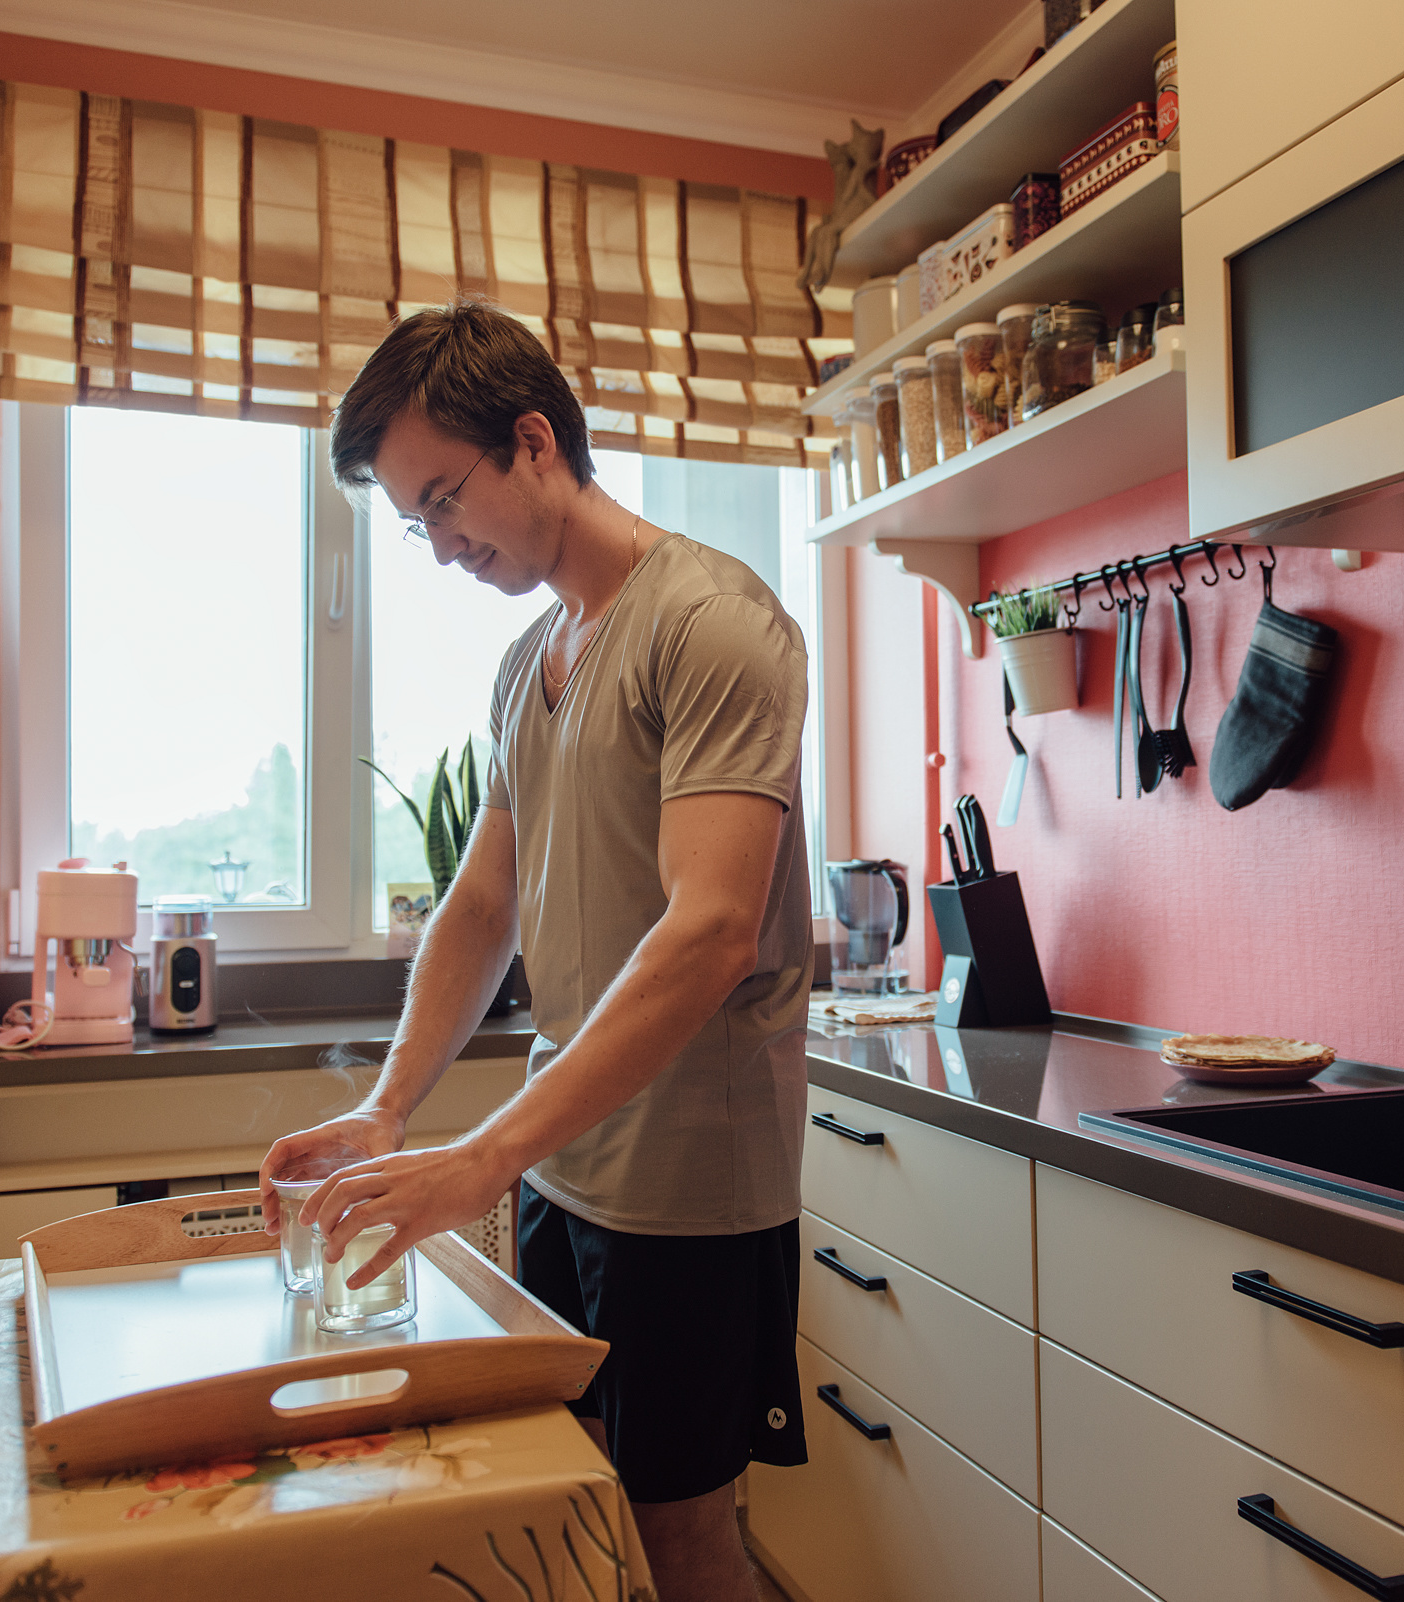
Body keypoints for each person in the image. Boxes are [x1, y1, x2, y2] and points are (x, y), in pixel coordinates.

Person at [258, 298, 812, 1602]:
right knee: (583, 1514)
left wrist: (485, 1151)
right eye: (416, 523)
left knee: (684, 1532)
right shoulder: (527, 663)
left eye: (445, 501)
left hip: (687, 1185)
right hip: (567, 1168)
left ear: (533, 443)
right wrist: (393, 1108)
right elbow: (478, 903)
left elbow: (713, 927)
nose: (441, 546)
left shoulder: (715, 622)